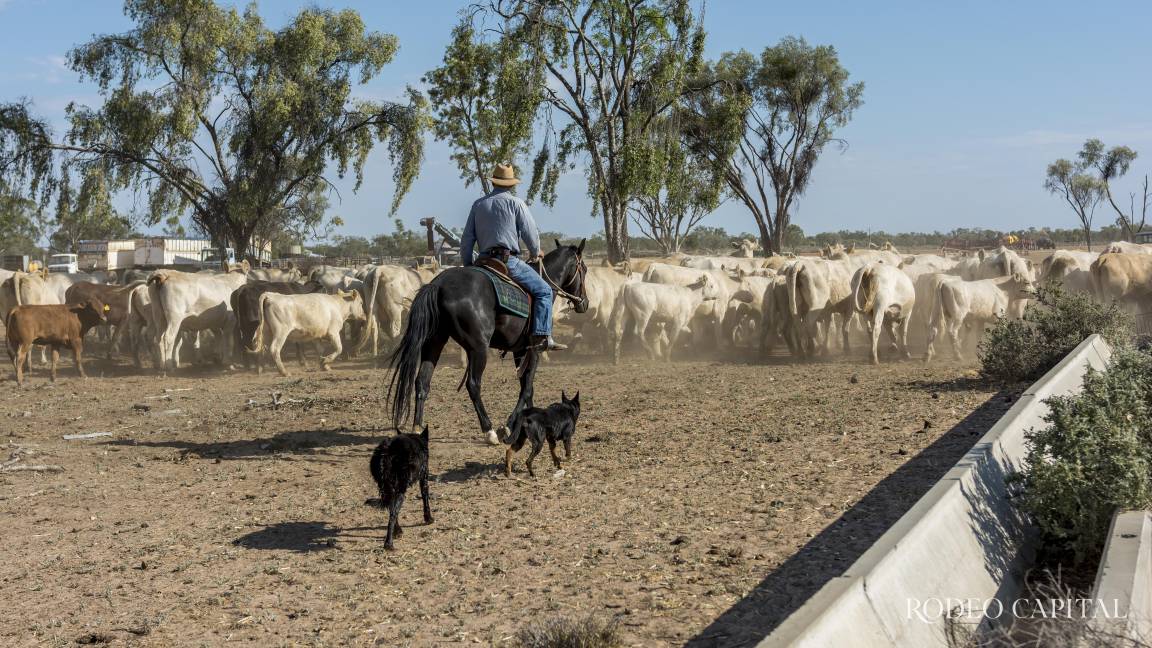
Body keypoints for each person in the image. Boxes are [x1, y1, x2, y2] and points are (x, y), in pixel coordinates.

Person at [460, 163, 567, 351]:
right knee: (544, 291)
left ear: (493, 183)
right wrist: (536, 252)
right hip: (507, 261)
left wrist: (468, 265)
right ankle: (542, 336)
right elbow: (530, 232)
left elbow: (467, 239)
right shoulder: (516, 203)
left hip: (482, 261)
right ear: (511, 184)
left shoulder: (478, 204)